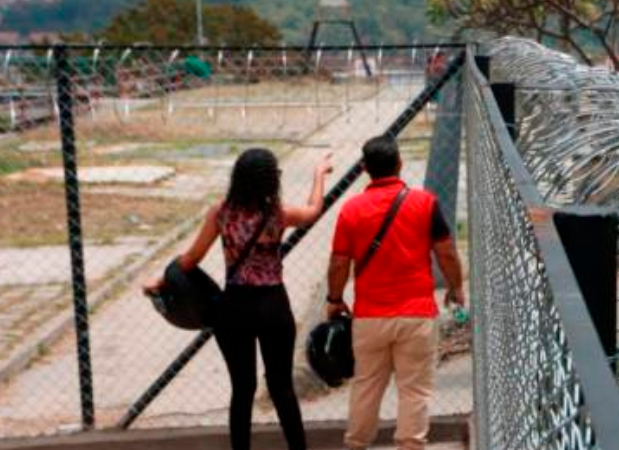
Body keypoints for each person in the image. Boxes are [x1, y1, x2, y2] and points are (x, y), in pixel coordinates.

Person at [144, 148, 333, 450]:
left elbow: (191, 258)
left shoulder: (221, 213)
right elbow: (313, 210)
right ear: (270, 181)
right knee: (282, 388)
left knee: (242, 390)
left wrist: (162, 279)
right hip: (273, 306)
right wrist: (318, 174)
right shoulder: (277, 215)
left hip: (234, 309)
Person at [324, 135, 465, 450]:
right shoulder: (425, 203)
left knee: (367, 387)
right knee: (414, 390)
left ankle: (356, 444)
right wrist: (456, 286)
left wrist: (334, 300)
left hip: (370, 316)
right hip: (416, 315)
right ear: (399, 164)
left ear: (364, 169)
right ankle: (411, 445)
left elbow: (338, 263)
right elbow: (447, 253)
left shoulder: (351, 210)